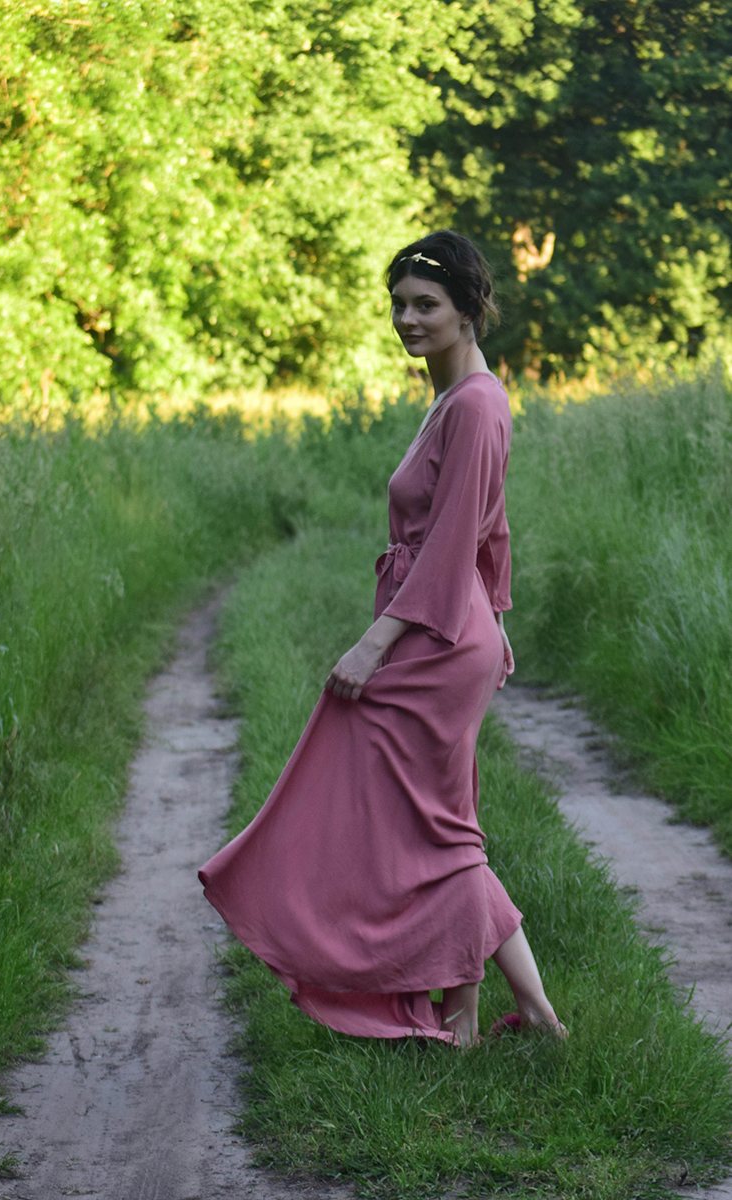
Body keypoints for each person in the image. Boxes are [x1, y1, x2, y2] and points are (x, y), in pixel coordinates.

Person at [199, 230, 565, 1047]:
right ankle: (496, 1013)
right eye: (398, 303)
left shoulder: (473, 404)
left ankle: (484, 1010)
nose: (406, 319)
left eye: (425, 304)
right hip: (451, 624)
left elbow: (456, 539)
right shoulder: (456, 397)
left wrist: (376, 643)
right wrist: (495, 619)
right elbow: (487, 529)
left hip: (434, 634)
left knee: (429, 826)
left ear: (468, 309)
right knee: (436, 824)